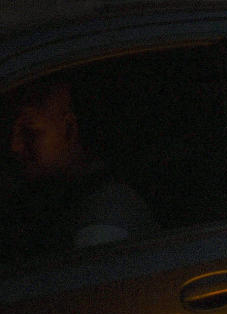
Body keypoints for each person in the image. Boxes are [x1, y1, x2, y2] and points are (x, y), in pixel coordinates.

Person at [8, 82, 155, 252]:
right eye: (10, 131)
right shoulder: (66, 198)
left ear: (69, 129)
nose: (15, 145)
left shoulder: (102, 222)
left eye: (30, 132)